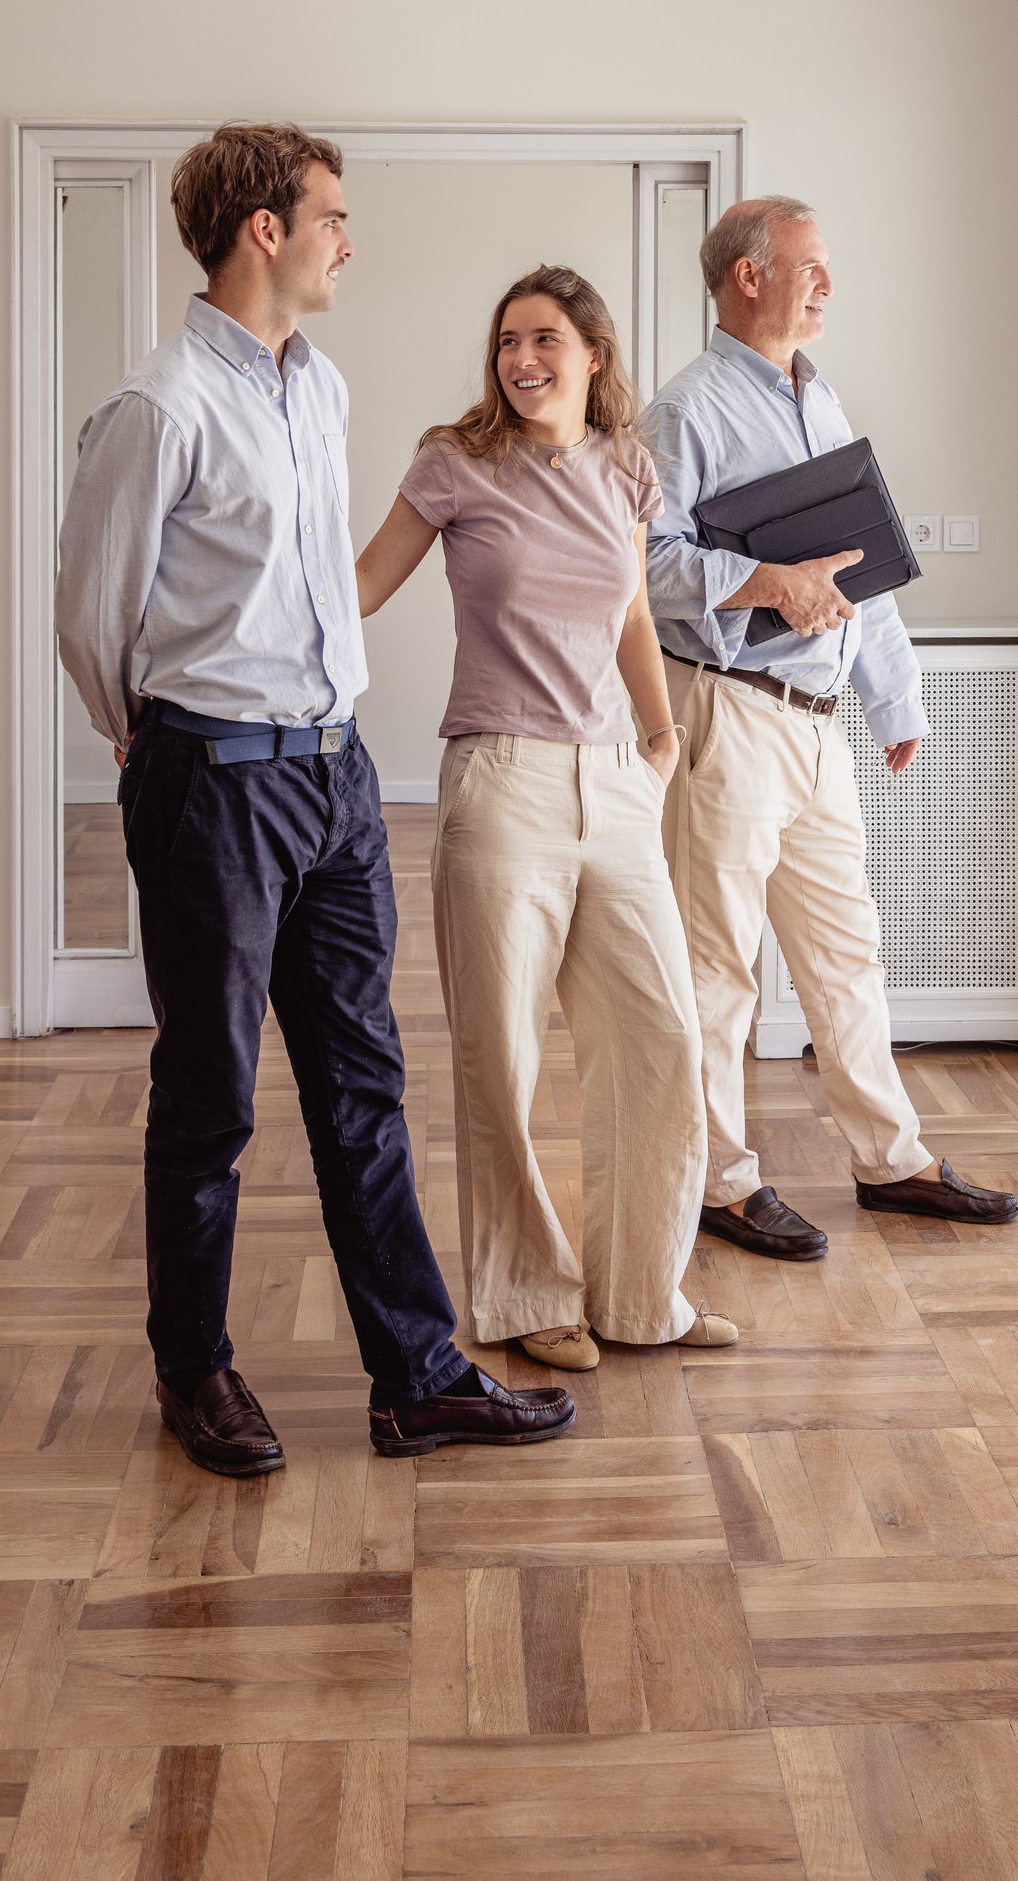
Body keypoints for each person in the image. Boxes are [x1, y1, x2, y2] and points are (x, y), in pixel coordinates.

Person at [55, 123, 573, 1478]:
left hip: (336, 780)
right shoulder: (160, 404)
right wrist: (149, 741)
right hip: (214, 784)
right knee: (210, 1096)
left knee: (364, 1088)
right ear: (265, 229)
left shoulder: (321, 387)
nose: (349, 238)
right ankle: (194, 1368)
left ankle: (419, 1377)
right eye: (332, 215)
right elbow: (92, 614)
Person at [355, 266, 734, 1374]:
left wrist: (660, 740)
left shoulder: (627, 468)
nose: (521, 360)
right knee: (503, 1059)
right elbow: (359, 586)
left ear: (592, 354)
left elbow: (630, 612)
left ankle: (642, 1293)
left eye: (545, 340)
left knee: (663, 1041)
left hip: (616, 783)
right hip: (502, 782)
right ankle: (526, 1295)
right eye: (508, 341)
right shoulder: (455, 462)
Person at [643, 195, 1018, 1258]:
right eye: (809, 266)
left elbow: (864, 566)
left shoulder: (823, 399)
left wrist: (895, 700)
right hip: (728, 714)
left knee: (847, 952)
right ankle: (719, 1181)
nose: (827, 284)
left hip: (818, 728)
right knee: (718, 966)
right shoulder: (686, 411)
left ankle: (889, 1160)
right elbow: (645, 565)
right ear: (748, 275)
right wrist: (766, 579)